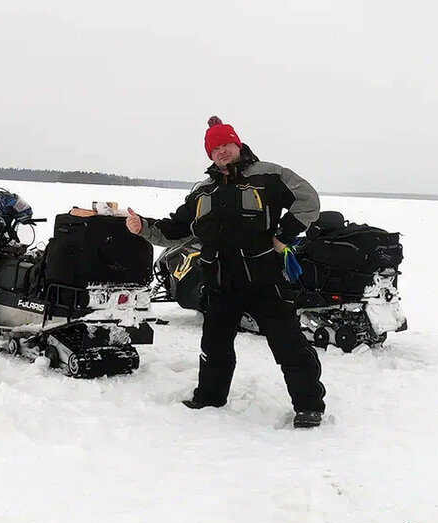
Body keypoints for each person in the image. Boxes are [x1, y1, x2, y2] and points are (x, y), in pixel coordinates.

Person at [126, 116, 326, 428]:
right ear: (209, 154)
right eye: (214, 148)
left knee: (288, 344)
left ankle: (309, 405)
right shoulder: (203, 191)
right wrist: (143, 228)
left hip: (265, 278)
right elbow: (177, 230)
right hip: (220, 281)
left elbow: (308, 201)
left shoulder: (269, 175)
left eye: (225, 145)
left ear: (237, 143)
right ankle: (209, 397)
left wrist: (283, 235)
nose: (221, 151)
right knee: (214, 345)